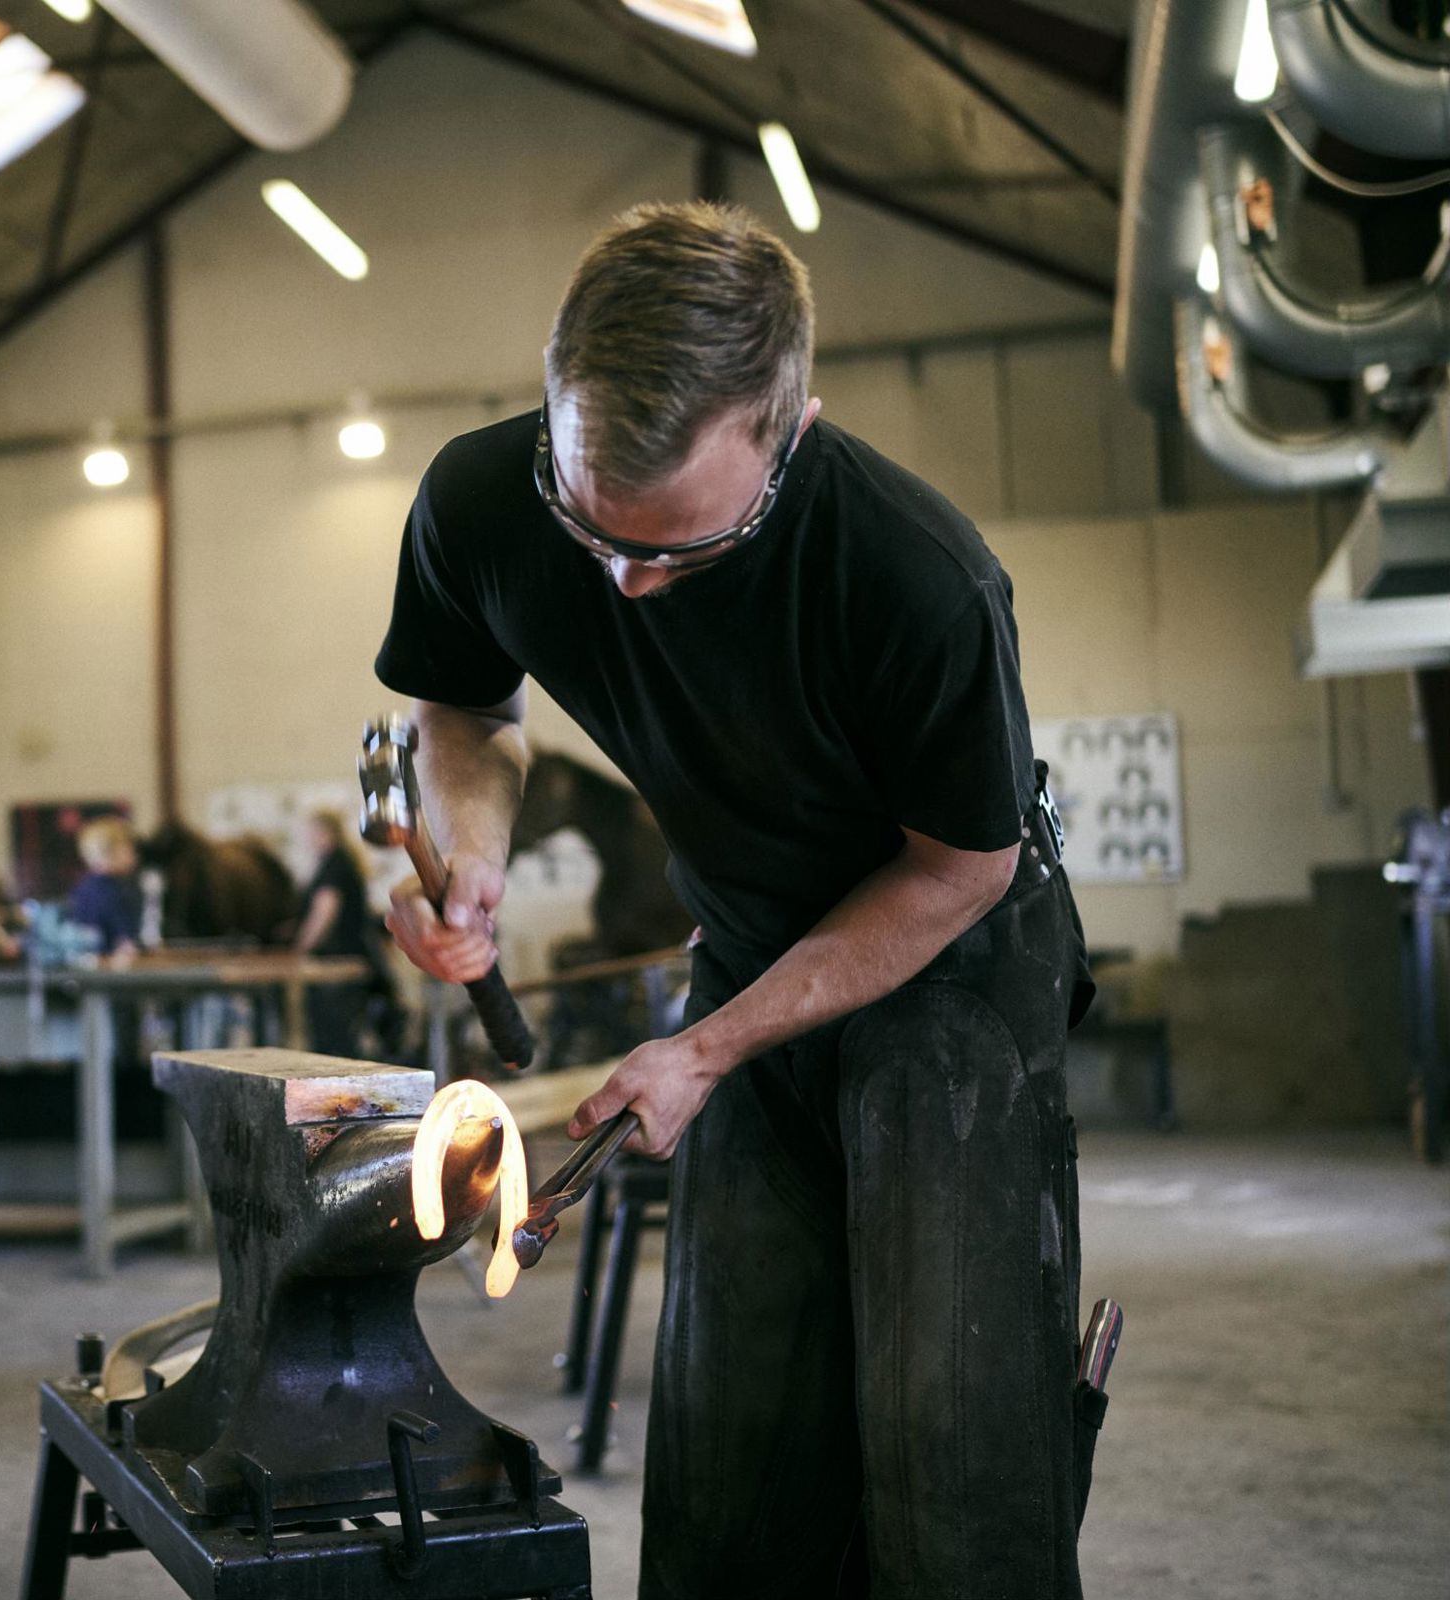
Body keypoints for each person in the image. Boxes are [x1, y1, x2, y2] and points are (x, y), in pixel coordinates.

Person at [374, 201, 1096, 1600]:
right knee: (728, 1435)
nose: (634, 587)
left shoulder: (919, 579)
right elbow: (461, 706)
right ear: (552, 403)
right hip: (754, 938)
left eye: (685, 550)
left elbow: (960, 867)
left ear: (792, 428)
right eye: (596, 534)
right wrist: (473, 853)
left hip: (956, 957)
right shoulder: (476, 503)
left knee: (948, 1441)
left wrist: (706, 1048)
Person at [289, 809, 376, 1055]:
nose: (308, 840)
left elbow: (324, 913)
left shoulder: (335, 864)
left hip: (335, 966)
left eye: (311, 833)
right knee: (340, 1038)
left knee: (333, 1041)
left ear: (325, 833)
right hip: (341, 963)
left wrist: (300, 948)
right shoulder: (339, 861)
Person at [65, 816, 142, 961]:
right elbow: (127, 943)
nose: (133, 854)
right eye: (128, 848)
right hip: (110, 970)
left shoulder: (82, 888)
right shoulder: (114, 892)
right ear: (109, 852)